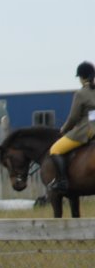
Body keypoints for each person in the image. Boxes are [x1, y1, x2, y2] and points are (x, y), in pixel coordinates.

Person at [47, 61, 95, 193]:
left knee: (55, 149)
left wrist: (64, 129)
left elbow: (73, 118)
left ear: (81, 77)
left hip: (86, 131)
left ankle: (62, 181)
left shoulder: (81, 94)